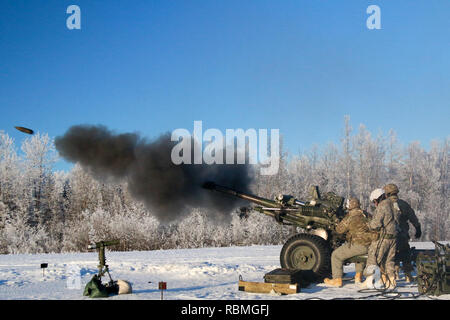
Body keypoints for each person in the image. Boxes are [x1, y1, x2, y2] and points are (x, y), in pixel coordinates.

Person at [323, 198, 377, 287]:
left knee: (336, 255)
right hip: (369, 245)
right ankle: (358, 276)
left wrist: (336, 221)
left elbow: (339, 230)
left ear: (350, 206)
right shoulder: (366, 214)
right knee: (358, 255)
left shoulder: (350, 216)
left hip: (358, 245)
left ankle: (337, 280)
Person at [384, 183, 422, 283]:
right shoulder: (404, 204)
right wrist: (418, 228)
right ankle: (408, 274)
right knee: (405, 253)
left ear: (386, 194)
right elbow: (413, 217)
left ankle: (392, 274)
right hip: (403, 235)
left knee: (390, 255)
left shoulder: (384, 204)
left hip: (388, 236)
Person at [364, 187, 398, 290]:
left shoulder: (382, 206)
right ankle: (391, 281)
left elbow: (376, 224)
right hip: (394, 237)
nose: (375, 204)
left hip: (384, 238)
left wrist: (368, 224)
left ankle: (369, 281)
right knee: (389, 260)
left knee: (372, 257)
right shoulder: (393, 204)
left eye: (375, 201)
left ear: (378, 198)